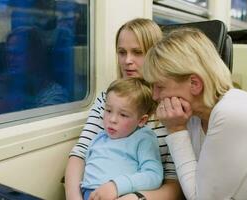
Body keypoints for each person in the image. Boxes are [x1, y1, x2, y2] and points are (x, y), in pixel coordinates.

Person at [142, 27, 247, 200]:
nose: (154, 96)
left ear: (195, 84)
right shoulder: (196, 117)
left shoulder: (233, 112)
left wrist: (176, 130)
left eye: (160, 86)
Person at [65, 18, 184, 200]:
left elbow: (174, 185)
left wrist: (135, 197)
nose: (127, 60)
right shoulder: (108, 100)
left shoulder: (172, 109)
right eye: (122, 52)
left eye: (137, 52)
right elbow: (80, 153)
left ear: (156, 54)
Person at [81, 78, 163, 200]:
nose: (112, 119)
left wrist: (117, 186)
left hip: (120, 195)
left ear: (141, 120)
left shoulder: (143, 138)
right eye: (108, 110)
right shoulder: (99, 137)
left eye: (123, 114)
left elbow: (154, 176)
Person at [0, 26, 70, 113]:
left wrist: (9, 110)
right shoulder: (7, 86)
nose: (10, 58)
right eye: (9, 53)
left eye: (17, 53)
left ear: (36, 55)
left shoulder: (55, 95)